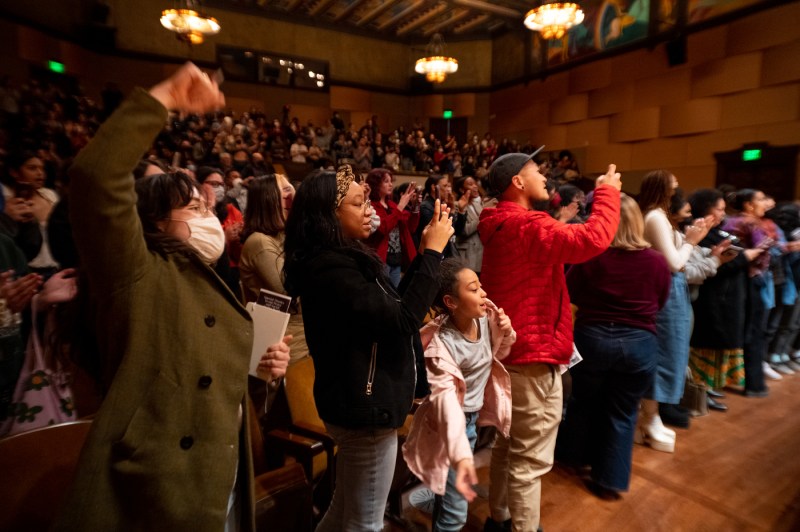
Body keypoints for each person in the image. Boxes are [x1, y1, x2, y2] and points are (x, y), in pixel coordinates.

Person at [53, 62, 291, 532]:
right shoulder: (135, 269)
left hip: (218, 483)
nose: (210, 215)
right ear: (156, 222)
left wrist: (263, 373)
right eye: (195, 207)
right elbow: (96, 177)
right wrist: (163, 97)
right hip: (152, 494)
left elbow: (217, 390)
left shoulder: (210, 281)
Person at [283, 164, 454, 531]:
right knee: (365, 523)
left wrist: (425, 254)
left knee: (344, 510)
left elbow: (394, 307)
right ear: (328, 215)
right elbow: (404, 321)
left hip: (358, 401)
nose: (370, 210)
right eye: (359, 203)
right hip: (364, 407)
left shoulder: (339, 260)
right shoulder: (332, 269)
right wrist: (435, 256)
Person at [478, 153, 621, 532]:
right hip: (533, 355)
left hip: (511, 353)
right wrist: (606, 194)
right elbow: (593, 238)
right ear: (517, 183)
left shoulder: (501, 223)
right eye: (536, 171)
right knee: (531, 461)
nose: (544, 176)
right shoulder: (526, 224)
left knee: (509, 447)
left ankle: (500, 520)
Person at [557, 194, 671, 497]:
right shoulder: (657, 261)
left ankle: (573, 456)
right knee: (622, 412)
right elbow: (660, 302)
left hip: (592, 339)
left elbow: (570, 292)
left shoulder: (591, 256)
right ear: (637, 222)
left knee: (584, 401)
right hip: (639, 344)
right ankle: (609, 480)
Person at [403, 259, 516, 531]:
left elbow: (497, 354)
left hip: (469, 422)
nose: (484, 294)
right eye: (474, 289)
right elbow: (445, 402)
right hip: (449, 428)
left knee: (448, 500)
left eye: (481, 287)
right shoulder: (443, 345)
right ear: (451, 302)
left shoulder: (484, 319)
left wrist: (506, 331)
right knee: (455, 514)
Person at [638, 170, 709, 436]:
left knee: (674, 352)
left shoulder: (661, 216)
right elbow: (675, 263)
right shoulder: (655, 217)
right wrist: (691, 242)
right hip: (666, 289)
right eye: (672, 182)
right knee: (665, 354)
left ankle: (652, 416)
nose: (677, 186)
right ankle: (650, 417)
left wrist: (693, 239)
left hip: (673, 290)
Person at [239, 173, 308, 364]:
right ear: (266, 200)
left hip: (302, 340)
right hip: (286, 347)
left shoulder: (284, 235)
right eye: (285, 191)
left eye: (291, 189)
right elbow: (292, 291)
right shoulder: (260, 242)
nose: (291, 196)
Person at [364, 168, 419, 287]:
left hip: (397, 257)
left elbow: (411, 227)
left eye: (391, 181)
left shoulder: (391, 205)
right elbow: (383, 227)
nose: (390, 184)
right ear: (375, 184)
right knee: (383, 293)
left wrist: (415, 206)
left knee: (395, 294)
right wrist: (400, 206)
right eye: (386, 181)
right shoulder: (371, 205)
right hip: (381, 258)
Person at [453, 177, 484, 275]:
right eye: (470, 184)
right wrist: (483, 216)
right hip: (468, 254)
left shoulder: (478, 205)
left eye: (475, 183)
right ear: (462, 189)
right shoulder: (455, 205)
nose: (475, 186)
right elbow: (464, 230)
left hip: (482, 253)